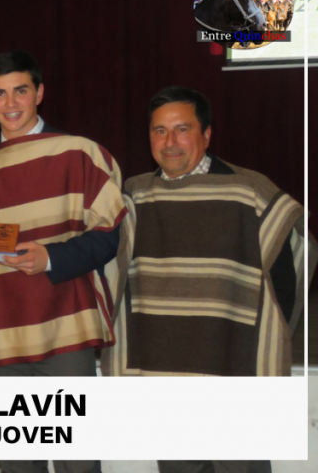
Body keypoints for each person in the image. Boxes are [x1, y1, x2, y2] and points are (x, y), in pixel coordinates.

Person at [103, 86, 309, 473]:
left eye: (182, 129)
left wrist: (267, 335)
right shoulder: (134, 195)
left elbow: (291, 269)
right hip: (163, 369)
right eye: (159, 131)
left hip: (232, 365)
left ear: (207, 134)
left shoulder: (247, 191)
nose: (170, 142)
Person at [0, 51, 126, 473]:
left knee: (77, 462)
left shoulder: (79, 153)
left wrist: (52, 257)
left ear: (39, 93)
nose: (10, 103)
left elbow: (110, 237)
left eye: (20, 90)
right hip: (0, 336)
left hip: (64, 329)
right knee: (16, 464)